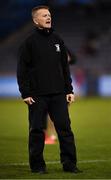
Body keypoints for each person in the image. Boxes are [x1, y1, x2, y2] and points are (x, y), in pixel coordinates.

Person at [17, 5, 81, 174]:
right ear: (35, 20)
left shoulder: (58, 39)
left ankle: (69, 164)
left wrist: (69, 90)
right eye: (44, 15)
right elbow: (21, 70)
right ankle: (37, 166)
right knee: (37, 131)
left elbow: (65, 68)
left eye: (49, 15)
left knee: (65, 130)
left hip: (59, 94)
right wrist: (25, 92)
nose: (48, 17)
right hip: (37, 96)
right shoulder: (29, 42)